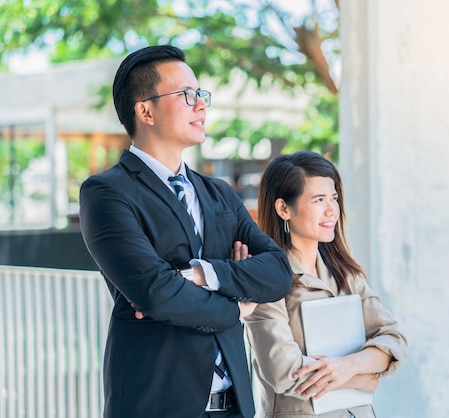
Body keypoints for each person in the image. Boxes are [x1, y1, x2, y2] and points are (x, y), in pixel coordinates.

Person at [79, 45, 292, 418]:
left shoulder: (220, 193)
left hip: (234, 407)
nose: (201, 106)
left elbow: (277, 272)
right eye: (186, 95)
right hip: (157, 405)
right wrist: (238, 306)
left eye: (201, 95)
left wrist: (202, 274)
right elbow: (158, 294)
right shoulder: (107, 193)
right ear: (145, 110)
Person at [243, 151, 408, 417]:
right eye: (319, 200)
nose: (332, 209)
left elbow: (393, 339)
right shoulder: (268, 279)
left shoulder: (345, 273)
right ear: (284, 208)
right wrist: (359, 378)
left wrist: (350, 365)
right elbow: (284, 371)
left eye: (334, 198)